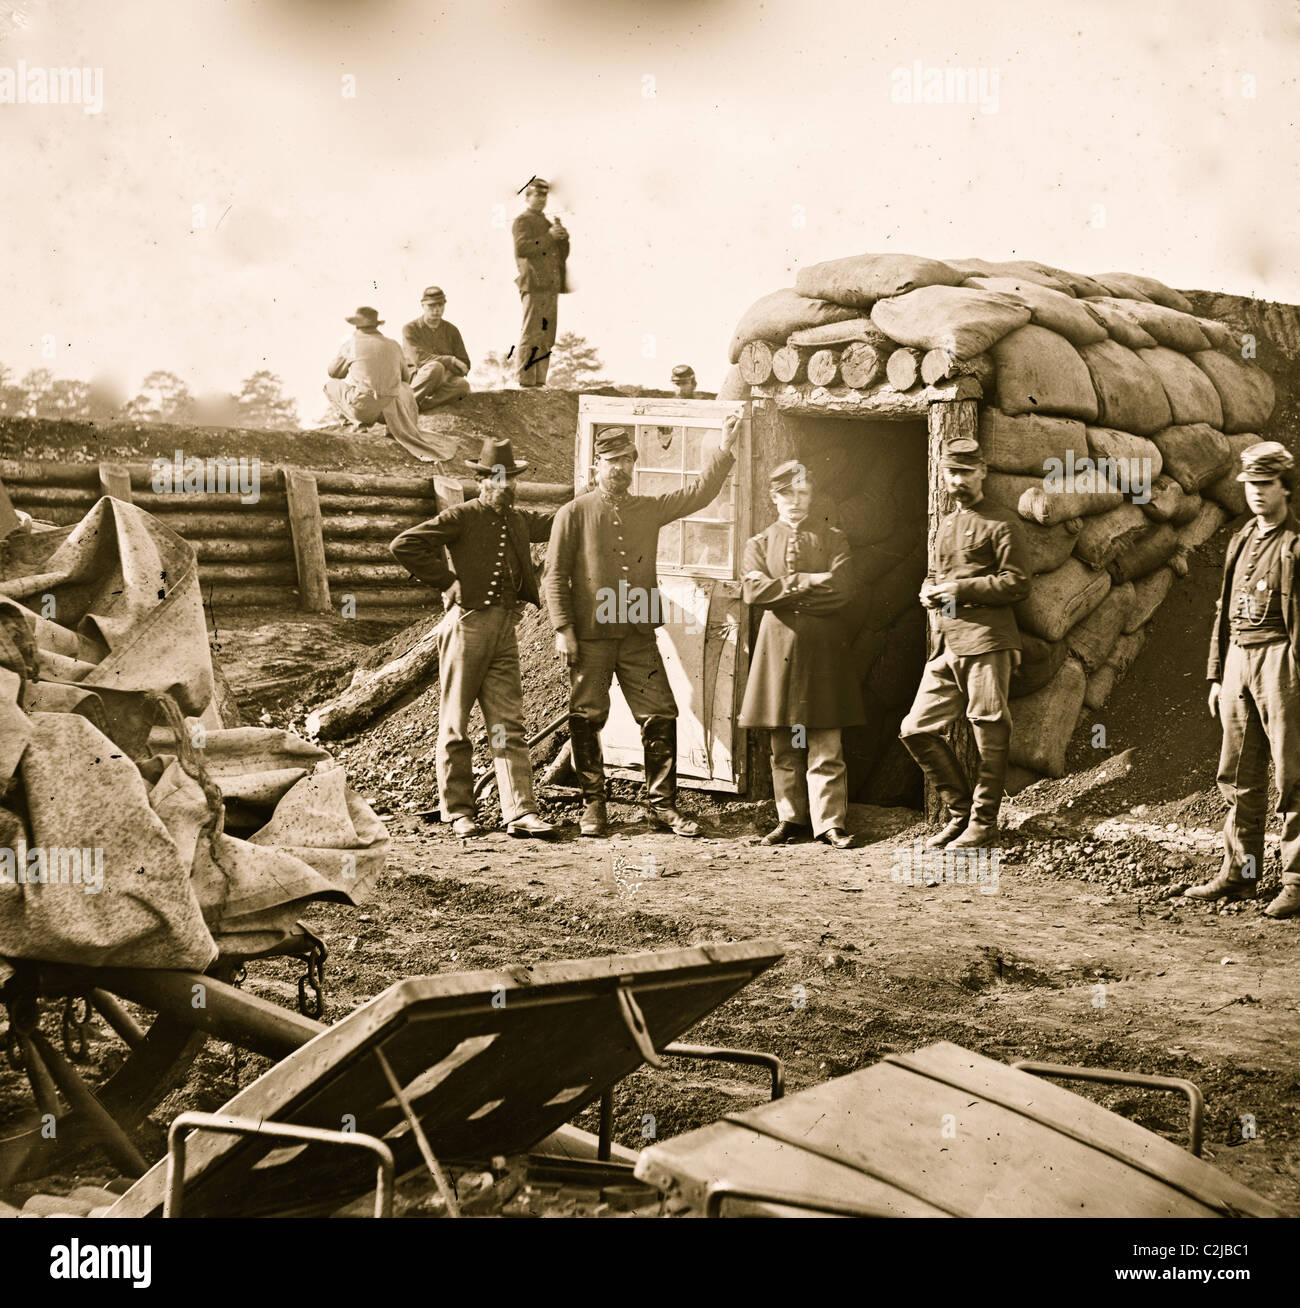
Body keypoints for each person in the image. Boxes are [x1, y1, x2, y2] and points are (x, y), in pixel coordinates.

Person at [545, 416, 741, 837]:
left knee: (659, 714)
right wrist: (563, 628)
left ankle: (662, 806)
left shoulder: (647, 510)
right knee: (586, 716)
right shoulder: (573, 513)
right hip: (591, 637)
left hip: (637, 634)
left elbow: (698, 494)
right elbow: (553, 576)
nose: (619, 468)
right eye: (611, 460)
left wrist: (723, 449)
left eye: (626, 460)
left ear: (634, 465)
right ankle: (593, 806)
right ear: (596, 465)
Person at [390, 437, 556, 840]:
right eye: (498, 478)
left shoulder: (518, 520)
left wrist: (589, 498)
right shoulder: (461, 516)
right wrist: (448, 580)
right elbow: (404, 544)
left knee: (507, 722)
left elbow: (560, 521)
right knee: (455, 723)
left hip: (505, 629)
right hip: (466, 626)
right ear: (481, 480)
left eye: (512, 479)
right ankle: (459, 811)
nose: (507, 486)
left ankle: (519, 811)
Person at [898, 436, 1030, 850]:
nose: (957, 481)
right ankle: (959, 815)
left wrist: (958, 588)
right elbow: (937, 577)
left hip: (987, 642)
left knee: (989, 730)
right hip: (947, 645)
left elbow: (1017, 583)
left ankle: (984, 823)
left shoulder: (1002, 522)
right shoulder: (947, 525)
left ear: (983, 472)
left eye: (965, 472)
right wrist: (927, 590)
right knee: (915, 729)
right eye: (951, 473)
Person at [1188, 440, 1300, 920]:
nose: (1256, 493)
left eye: (1264, 484)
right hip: (1239, 659)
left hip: (1281, 660)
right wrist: (1216, 674)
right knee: (1238, 774)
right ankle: (1241, 871)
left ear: (1285, 488)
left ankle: (1295, 881)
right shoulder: (1240, 539)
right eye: (1250, 485)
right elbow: (1222, 612)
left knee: (1292, 776)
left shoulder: (1295, 544)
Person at [739, 461, 863, 849]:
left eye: (802, 493)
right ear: (774, 497)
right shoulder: (758, 544)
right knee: (787, 741)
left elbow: (842, 590)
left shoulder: (833, 539)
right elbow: (754, 593)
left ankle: (829, 823)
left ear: (812, 496)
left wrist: (782, 589)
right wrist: (809, 581)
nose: (795, 501)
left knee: (825, 740)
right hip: (780, 654)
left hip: (824, 654)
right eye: (786, 493)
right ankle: (791, 819)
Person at [324, 306, 458, 461]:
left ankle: (353, 425)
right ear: (376, 325)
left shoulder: (351, 344)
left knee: (330, 385)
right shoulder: (393, 344)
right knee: (403, 387)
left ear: (357, 326)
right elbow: (405, 378)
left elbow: (334, 373)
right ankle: (390, 427)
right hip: (390, 413)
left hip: (363, 410)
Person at [511, 178, 568, 387]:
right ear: (527, 197)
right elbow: (522, 248)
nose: (541, 199)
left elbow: (560, 255)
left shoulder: (546, 223)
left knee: (546, 334)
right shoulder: (522, 221)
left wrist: (562, 239)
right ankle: (526, 381)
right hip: (533, 285)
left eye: (544, 196)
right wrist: (549, 236)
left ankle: (539, 381)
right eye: (537, 195)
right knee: (531, 333)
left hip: (549, 286)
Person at [401, 286, 471, 411]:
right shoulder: (410, 329)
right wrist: (450, 361)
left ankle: (423, 406)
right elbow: (419, 359)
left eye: (440, 305)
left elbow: (464, 363)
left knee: (463, 385)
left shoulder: (452, 330)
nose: (436, 310)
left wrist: (451, 370)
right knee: (435, 368)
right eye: (431, 306)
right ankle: (404, 405)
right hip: (417, 378)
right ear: (423, 305)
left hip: (444, 380)